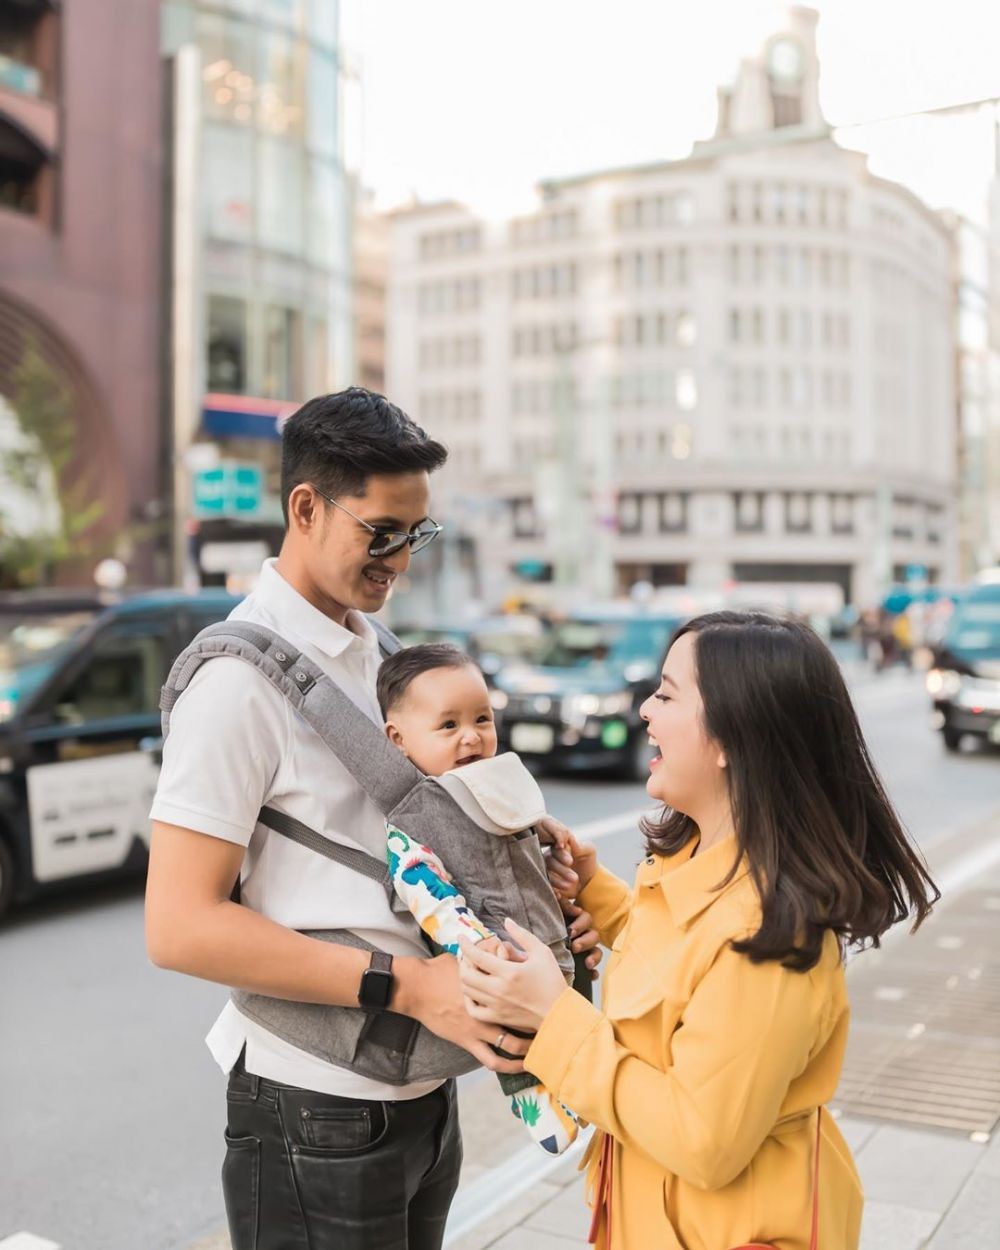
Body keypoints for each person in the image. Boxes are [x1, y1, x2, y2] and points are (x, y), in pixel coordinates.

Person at [144, 389, 578, 1250]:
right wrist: (413, 988)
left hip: (418, 1086)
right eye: (382, 532)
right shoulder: (234, 686)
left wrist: (534, 854)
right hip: (313, 1108)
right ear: (306, 508)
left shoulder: (375, 652)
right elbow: (179, 928)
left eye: (417, 534)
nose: (401, 562)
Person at [458, 611, 940, 1250]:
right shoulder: (702, 861)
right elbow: (686, 977)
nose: (645, 712)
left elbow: (704, 1141)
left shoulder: (771, 938)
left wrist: (553, 1019)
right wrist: (597, 896)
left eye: (666, 693)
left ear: (732, 738)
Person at [376, 642, 599, 1156]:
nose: (472, 736)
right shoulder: (417, 813)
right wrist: (471, 943)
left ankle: (582, 1075)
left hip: (548, 927)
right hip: (496, 947)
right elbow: (421, 885)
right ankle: (530, 1096)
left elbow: (515, 839)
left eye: (482, 718)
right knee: (512, 1033)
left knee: (579, 993)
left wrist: (553, 865)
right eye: (448, 726)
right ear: (398, 739)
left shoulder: (497, 782)